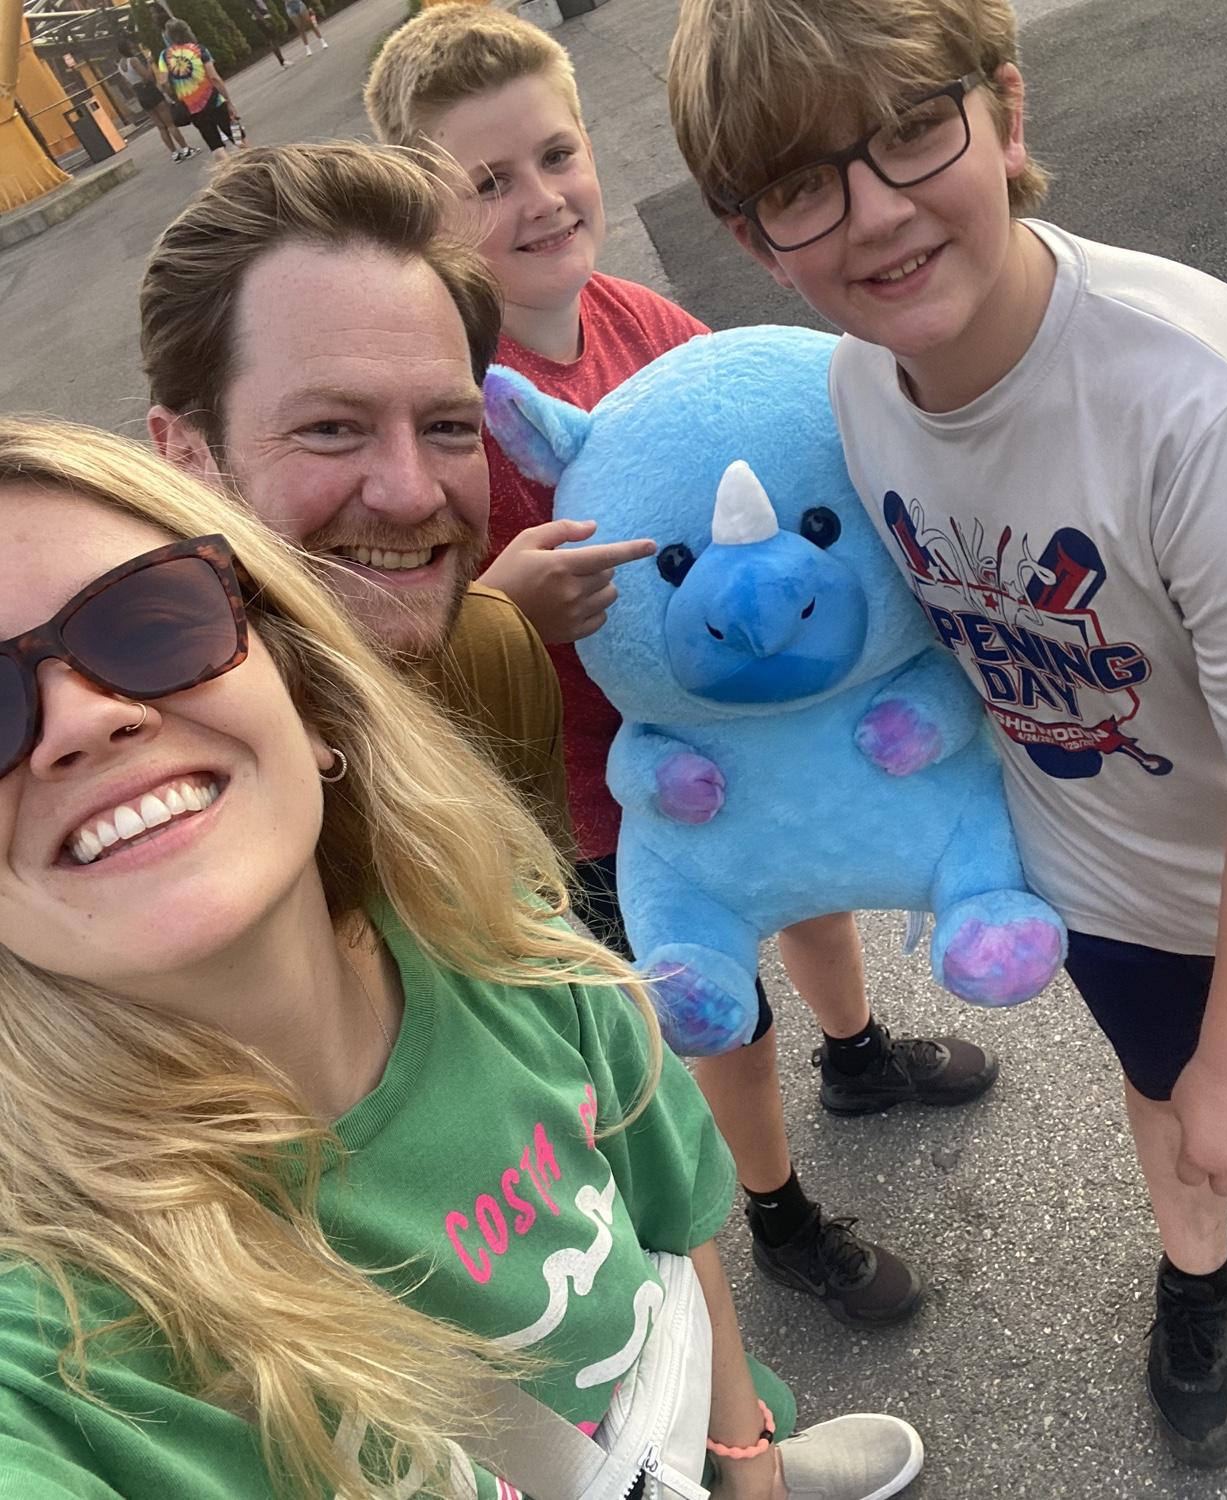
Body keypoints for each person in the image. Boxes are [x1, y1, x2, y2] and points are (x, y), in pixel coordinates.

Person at [667, 0, 1227, 1468]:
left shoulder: (1210, 403)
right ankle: (1198, 1272)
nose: (876, 212)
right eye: (802, 183)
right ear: (755, 237)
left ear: (1004, 110)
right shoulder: (858, 385)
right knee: (1157, 1081)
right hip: (1104, 868)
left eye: (911, 130)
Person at [0, 415, 925, 1500]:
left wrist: (742, 1456)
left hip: (682, 1438)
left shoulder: (506, 944)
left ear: (309, 700)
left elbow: (673, 1235)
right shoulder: (50, 1347)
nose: (83, 720)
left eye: (153, 621)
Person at [366, 2, 1002, 1332]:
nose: (542, 200)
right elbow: (406, 630)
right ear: (427, 215)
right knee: (718, 1008)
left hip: (764, 735)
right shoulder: (448, 409)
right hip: (609, 795)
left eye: (556, 155)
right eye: (489, 182)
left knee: (815, 899)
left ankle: (859, 1056)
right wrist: (504, 607)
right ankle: (776, 1211)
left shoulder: (640, 319)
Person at [141, 142, 571, 856]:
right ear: (185, 454)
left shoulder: (493, 657)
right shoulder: (124, 779)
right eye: (331, 429)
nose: (411, 495)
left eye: (446, 426)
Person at [155, 18, 243, 162]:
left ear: (169, 36)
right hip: (215, 101)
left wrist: (175, 96)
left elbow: (163, 82)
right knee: (238, 137)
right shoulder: (199, 49)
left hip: (193, 108)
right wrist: (228, 101)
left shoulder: (165, 56)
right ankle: (254, 164)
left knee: (215, 146)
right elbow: (214, 78)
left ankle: (229, 169)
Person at [116, 36, 194, 162]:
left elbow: (128, 84)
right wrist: (149, 63)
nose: (133, 46)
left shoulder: (120, 66)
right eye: (130, 45)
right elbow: (148, 77)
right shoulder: (133, 60)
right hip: (150, 91)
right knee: (169, 123)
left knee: (160, 126)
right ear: (127, 47)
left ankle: (174, 153)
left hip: (140, 94)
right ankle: (186, 148)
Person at [246, 0, 290, 68]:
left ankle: (282, 61)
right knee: (273, 40)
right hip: (263, 19)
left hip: (265, 17)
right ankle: (282, 61)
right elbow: (255, 11)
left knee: (273, 39)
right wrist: (265, 22)